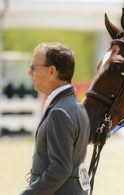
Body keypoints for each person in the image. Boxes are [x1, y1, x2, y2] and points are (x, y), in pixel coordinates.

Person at [21, 42, 90, 195]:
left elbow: (60, 169)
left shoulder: (60, 111)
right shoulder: (75, 105)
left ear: (52, 71)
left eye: (33, 67)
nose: (29, 72)